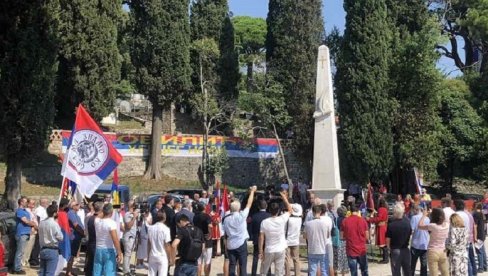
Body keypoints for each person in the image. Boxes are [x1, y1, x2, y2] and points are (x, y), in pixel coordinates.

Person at [223, 186, 257, 276]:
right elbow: (249, 204)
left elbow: (225, 233)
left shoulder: (226, 218)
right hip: (241, 243)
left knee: (232, 265)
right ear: (239, 208)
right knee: (242, 266)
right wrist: (252, 192)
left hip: (231, 244)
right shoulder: (241, 216)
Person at [259, 190, 292, 276]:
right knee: (279, 273)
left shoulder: (265, 222)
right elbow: (290, 210)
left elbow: (261, 238)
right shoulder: (282, 219)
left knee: (264, 272)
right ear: (278, 211)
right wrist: (284, 197)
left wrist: (260, 251)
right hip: (280, 249)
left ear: (269, 210)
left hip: (269, 249)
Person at [93, 203, 123, 276]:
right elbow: (115, 240)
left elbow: (99, 215)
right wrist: (119, 252)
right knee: (109, 272)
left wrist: (104, 209)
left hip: (98, 249)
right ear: (112, 212)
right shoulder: (111, 223)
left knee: (97, 272)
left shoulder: (97, 221)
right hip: (108, 250)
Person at [418, 208, 449, 276]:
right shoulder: (446, 225)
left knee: (434, 273)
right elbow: (445, 219)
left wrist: (424, 215)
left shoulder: (433, 226)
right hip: (443, 251)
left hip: (433, 251)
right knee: (445, 272)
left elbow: (419, 226)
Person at [340, 205, 369, 276]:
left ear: (350, 211)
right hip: (361, 249)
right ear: (358, 211)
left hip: (350, 249)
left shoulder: (345, 221)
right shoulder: (363, 220)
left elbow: (341, 236)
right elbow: (367, 237)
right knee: (364, 270)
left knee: (353, 272)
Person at [304, 204, 332, 276]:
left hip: (312, 249)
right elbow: (327, 235)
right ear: (320, 212)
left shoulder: (308, 224)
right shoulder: (325, 223)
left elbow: (305, 236)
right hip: (322, 249)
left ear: (313, 212)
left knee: (312, 271)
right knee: (324, 271)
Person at [386, 205, 411, 276]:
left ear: (395, 213)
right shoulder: (407, 223)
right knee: (407, 270)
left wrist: (388, 249)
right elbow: (410, 233)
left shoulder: (391, 225)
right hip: (405, 249)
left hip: (395, 249)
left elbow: (388, 239)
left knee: (396, 271)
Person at [38, 204, 62, 276]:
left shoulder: (41, 223)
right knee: (50, 273)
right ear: (55, 213)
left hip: (43, 248)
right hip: (52, 249)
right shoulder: (54, 224)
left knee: (42, 272)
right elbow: (60, 237)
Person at [454, 199, 477, 276]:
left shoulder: (456, 215)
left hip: (460, 242)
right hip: (467, 240)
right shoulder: (467, 215)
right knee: (469, 260)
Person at [13, 197, 35, 274]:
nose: (27, 203)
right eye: (26, 202)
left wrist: (32, 224)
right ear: (21, 202)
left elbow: (30, 221)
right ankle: (16, 269)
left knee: (22, 252)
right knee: (20, 252)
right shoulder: (19, 211)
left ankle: (18, 267)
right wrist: (33, 224)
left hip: (26, 233)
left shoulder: (26, 211)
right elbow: (26, 221)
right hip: (21, 234)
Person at [147, 211, 172, 276]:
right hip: (162, 255)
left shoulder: (150, 228)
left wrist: (148, 255)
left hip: (152, 254)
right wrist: (169, 258)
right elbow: (167, 245)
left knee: (151, 274)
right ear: (164, 218)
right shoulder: (166, 229)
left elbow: (149, 244)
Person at [250, 200, 271, 276]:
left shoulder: (254, 216)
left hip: (256, 238)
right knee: (267, 258)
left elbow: (252, 228)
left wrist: (252, 237)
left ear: (258, 207)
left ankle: (253, 273)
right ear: (266, 206)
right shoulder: (269, 216)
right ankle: (268, 273)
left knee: (255, 258)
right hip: (267, 239)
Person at [193, 203, 213, 276]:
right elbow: (210, 226)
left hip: (197, 239)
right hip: (206, 239)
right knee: (207, 261)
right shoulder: (206, 216)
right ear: (204, 208)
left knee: (199, 262)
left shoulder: (195, 216)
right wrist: (210, 233)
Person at [366, 198, 388, 264]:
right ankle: (385, 257)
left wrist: (370, 219)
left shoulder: (381, 209)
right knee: (383, 243)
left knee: (383, 244)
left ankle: (385, 259)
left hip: (381, 227)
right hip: (383, 226)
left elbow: (379, 218)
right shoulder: (385, 209)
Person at [410, 204, 429, 276]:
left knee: (412, 264)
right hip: (424, 244)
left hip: (416, 243)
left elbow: (411, 230)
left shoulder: (414, 218)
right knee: (424, 265)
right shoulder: (427, 218)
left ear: (416, 209)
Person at [85, 201, 103, 276]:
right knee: (95, 265)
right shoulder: (97, 219)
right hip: (96, 244)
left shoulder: (90, 218)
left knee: (91, 263)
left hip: (91, 242)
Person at [67, 200, 84, 276]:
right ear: (73, 206)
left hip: (77, 237)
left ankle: (69, 271)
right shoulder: (71, 213)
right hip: (73, 237)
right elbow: (76, 225)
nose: (79, 205)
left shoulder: (75, 213)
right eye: (77, 204)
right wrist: (84, 233)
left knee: (72, 255)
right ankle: (68, 272)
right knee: (71, 255)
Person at [122, 200, 139, 276]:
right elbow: (128, 226)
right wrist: (134, 217)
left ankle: (128, 269)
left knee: (130, 254)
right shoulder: (127, 214)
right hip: (129, 237)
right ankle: (126, 271)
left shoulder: (134, 213)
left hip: (133, 236)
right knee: (127, 254)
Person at [30, 198, 48, 267]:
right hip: (39, 229)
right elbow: (38, 219)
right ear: (42, 203)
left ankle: (36, 258)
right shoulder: (39, 209)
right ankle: (34, 260)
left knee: (39, 245)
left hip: (43, 229)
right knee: (36, 245)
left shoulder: (44, 209)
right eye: (46, 202)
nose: (47, 204)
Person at [285, 203, 302, 276]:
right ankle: (297, 274)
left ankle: (287, 274)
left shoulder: (289, 219)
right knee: (296, 259)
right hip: (296, 241)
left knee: (287, 260)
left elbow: (284, 230)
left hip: (287, 241)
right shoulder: (299, 219)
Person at [22, 199, 38, 267]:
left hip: (34, 231)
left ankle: (26, 261)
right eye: (32, 203)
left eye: (34, 203)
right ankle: (23, 262)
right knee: (26, 248)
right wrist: (34, 225)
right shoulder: (26, 211)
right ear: (28, 204)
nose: (33, 205)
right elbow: (29, 221)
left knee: (30, 248)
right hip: (30, 231)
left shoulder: (33, 211)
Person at [334, 206, 349, 276]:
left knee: (336, 257)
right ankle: (343, 273)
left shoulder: (336, 219)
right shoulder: (347, 220)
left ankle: (336, 272)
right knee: (345, 257)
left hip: (337, 240)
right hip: (346, 240)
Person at [473, 202, 487, 272]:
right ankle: (485, 266)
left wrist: (475, 236)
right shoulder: (482, 214)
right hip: (482, 234)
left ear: (476, 206)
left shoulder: (476, 214)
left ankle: (481, 267)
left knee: (479, 251)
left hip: (478, 234)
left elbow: (475, 225)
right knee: (483, 251)